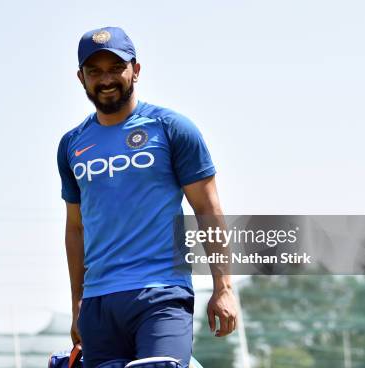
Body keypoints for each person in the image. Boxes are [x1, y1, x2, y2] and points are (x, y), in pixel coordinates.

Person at [57, 26, 237, 368]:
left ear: (135, 71)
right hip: (99, 303)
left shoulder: (172, 128)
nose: (105, 79)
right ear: (81, 78)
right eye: (95, 71)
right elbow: (75, 229)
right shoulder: (72, 145)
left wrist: (223, 287)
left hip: (162, 293)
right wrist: (77, 303)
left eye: (115, 68)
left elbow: (207, 209)